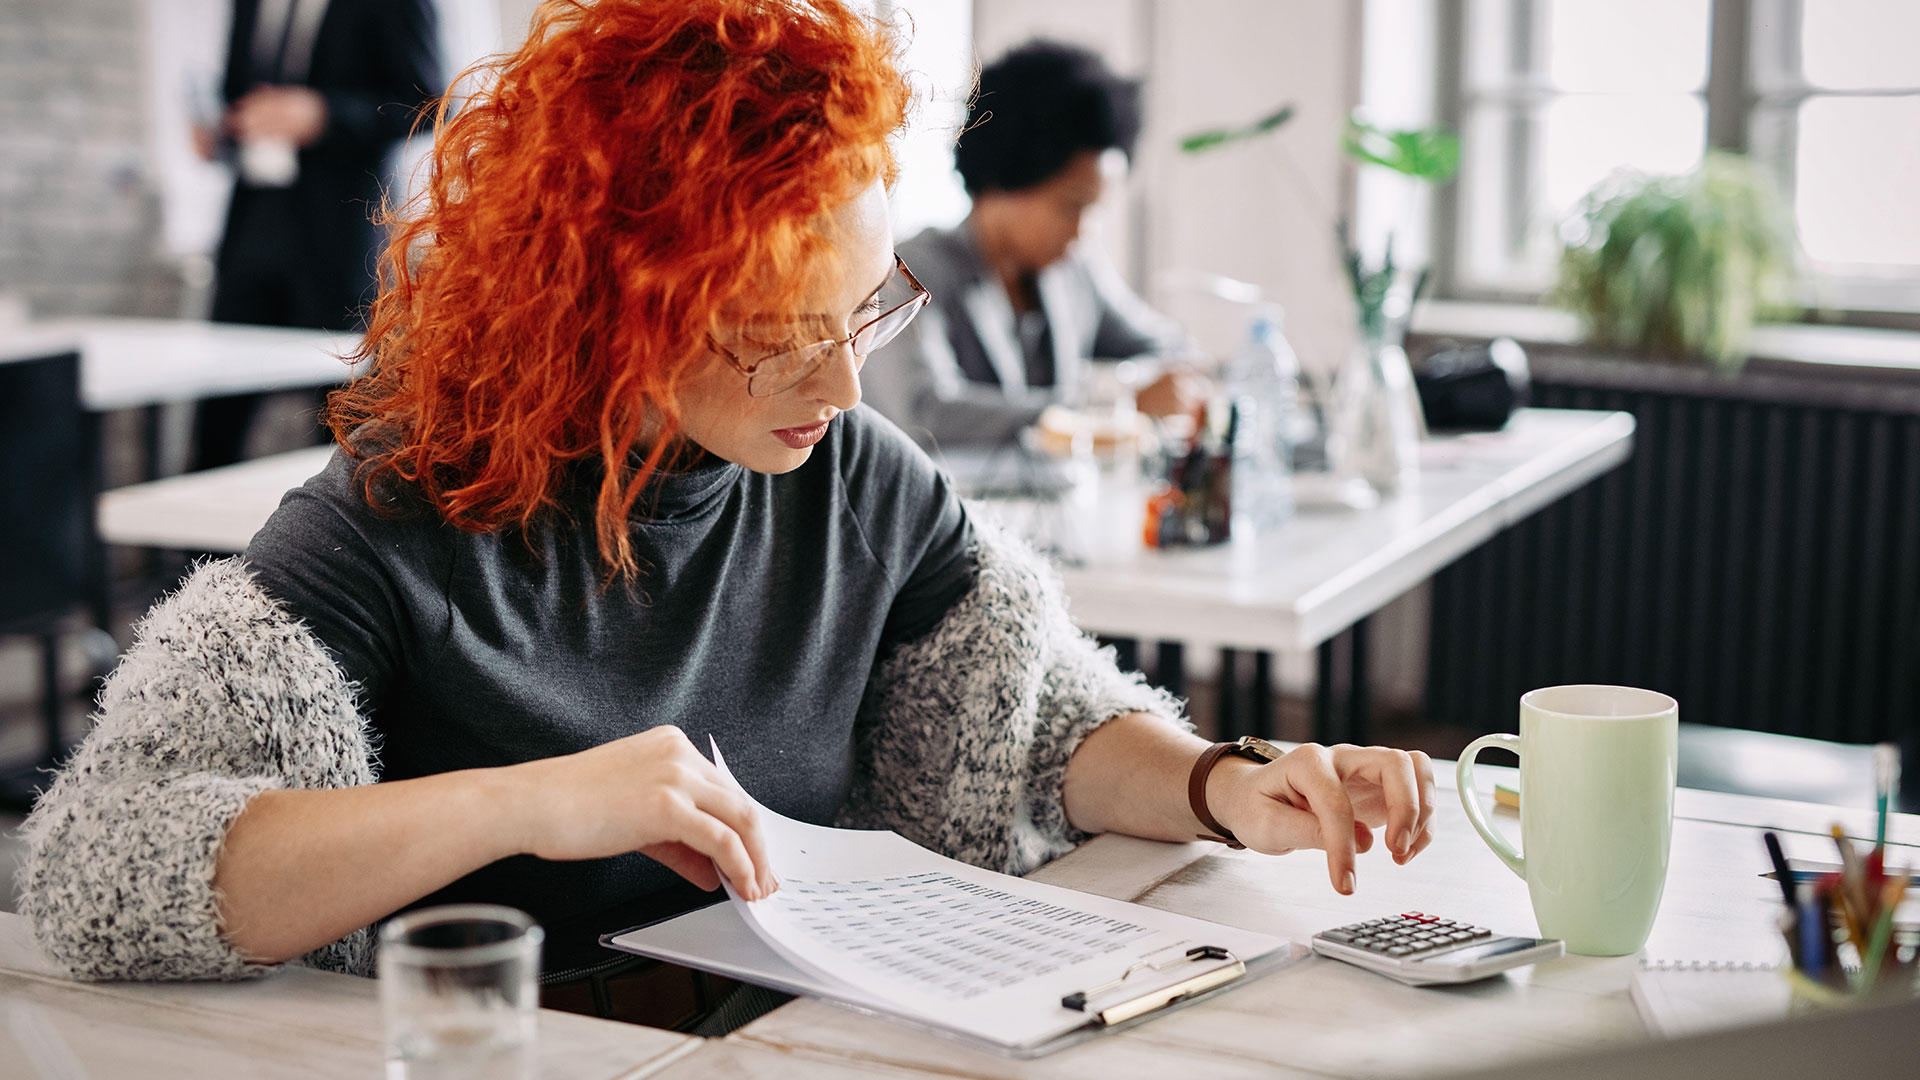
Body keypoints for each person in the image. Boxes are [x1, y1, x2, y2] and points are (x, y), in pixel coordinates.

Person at [20, 0, 1434, 1032]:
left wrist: (1224, 783)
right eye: (772, 334)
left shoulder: (856, 476)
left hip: (803, 1036)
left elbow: (1047, 730)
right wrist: (525, 804)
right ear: (612, 305)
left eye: (864, 312)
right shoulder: (407, 511)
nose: (840, 378)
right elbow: (102, 870)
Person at [862, 40, 1204, 453]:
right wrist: (1111, 407)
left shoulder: (1073, 270)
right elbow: (927, 413)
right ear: (1002, 180)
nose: (1083, 232)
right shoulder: (912, 271)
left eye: (1094, 209)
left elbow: (1167, 345)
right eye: (1071, 206)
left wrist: (1156, 384)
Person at [190, 0, 441, 470]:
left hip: (339, 234)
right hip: (252, 223)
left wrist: (326, 114)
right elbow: (240, 94)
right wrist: (221, 131)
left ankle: (329, 541)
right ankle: (193, 548)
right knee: (215, 423)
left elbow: (428, 106)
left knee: (341, 423)